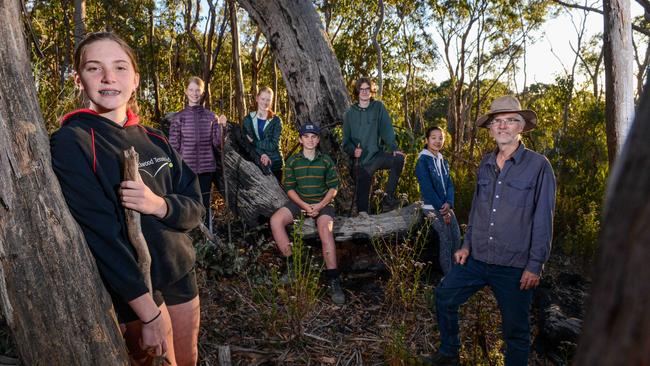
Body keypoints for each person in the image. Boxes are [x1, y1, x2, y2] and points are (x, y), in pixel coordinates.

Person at [50, 32, 203, 366]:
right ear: (79, 79)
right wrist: (147, 314)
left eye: (120, 67)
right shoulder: (72, 140)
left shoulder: (154, 139)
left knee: (188, 356)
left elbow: (194, 207)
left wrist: (157, 204)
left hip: (180, 270)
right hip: (136, 289)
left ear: (135, 79)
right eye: (94, 68)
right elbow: (100, 235)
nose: (108, 77)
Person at [425, 96, 556, 366]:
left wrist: (535, 265)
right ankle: (450, 352)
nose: (503, 126)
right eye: (497, 121)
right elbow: (477, 210)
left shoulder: (538, 166)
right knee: (444, 296)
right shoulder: (485, 164)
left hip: (515, 266)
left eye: (510, 120)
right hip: (477, 258)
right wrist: (465, 246)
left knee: (516, 332)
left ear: (521, 127)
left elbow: (544, 219)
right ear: (491, 128)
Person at [269, 123, 345, 304]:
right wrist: (304, 205)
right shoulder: (294, 162)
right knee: (275, 220)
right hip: (299, 202)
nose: (310, 140)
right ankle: (293, 264)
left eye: (313, 137)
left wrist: (319, 206)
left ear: (318, 140)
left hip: (323, 203)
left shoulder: (325, 160)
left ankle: (333, 279)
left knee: (325, 229)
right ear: (300, 139)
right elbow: (289, 188)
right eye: (306, 137)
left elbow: (334, 187)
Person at [169, 77, 226, 225]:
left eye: (198, 90)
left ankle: (207, 238)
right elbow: (173, 147)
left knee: (204, 203)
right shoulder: (178, 118)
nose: (194, 93)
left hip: (207, 169)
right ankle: (189, 234)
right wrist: (175, 169)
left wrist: (221, 127)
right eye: (191, 90)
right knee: (187, 203)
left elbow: (218, 144)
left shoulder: (211, 117)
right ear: (186, 92)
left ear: (202, 93)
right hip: (186, 169)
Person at [343, 77, 404, 214]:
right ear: (357, 91)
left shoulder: (378, 107)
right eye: (361, 89)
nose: (364, 92)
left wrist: (394, 148)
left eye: (367, 89)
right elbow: (345, 142)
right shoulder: (349, 113)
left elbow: (386, 129)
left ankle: (388, 200)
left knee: (398, 159)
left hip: (377, 156)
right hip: (362, 163)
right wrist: (353, 151)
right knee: (363, 210)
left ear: (371, 91)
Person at [415, 126, 461, 275]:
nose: (437, 141)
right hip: (430, 205)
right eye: (433, 138)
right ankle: (449, 276)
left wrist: (449, 203)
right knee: (445, 237)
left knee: (456, 235)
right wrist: (442, 208)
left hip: (446, 205)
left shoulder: (443, 160)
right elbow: (427, 189)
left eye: (440, 138)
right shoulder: (422, 161)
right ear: (427, 140)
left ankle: (458, 272)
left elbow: (449, 184)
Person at [242, 87, 283, 182]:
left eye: (268, 99)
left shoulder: (276, 121)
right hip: (256, 162)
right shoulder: (248, 120)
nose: (265, 102)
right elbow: (247, 143)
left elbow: (273, 145)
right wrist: (262, 154)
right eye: (263, 99)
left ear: (272, 101)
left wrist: (255, 142)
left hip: (275, 164)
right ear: (257, 98)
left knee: (277, 195)